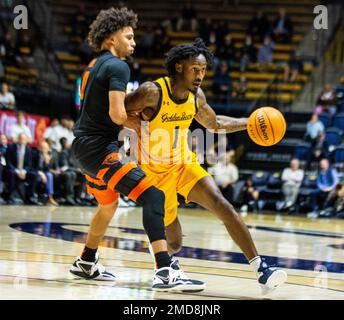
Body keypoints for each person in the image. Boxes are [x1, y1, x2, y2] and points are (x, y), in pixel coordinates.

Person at [124, 38, 287, 294]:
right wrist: (132, 132)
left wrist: (251, 122)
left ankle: (261, 267)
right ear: (179, 67)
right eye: (195, 69)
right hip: (155, 173)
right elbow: (119, 111)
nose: (200, 75)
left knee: (222, 204)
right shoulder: (151, 92)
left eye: (203, 70)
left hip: (183, 163)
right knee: (174, 242)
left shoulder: (196, 96)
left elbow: (215, 124)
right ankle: (165, 260)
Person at [69, 7, 203, 292]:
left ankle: (86, 260)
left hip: (81, 147)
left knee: (108, 205)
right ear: (110, 38)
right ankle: (165, 270)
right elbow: (118, 115)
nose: (133, 43)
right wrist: (143, 117)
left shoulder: (92, 65)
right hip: (99, 149)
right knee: (153, 196)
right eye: (128, 37)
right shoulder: (119, 66)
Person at [4, 133, 39, 205]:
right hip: (13, 170)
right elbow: (8, 162)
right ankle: (10, 196)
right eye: (21, 139)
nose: (22, 140)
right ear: (18, 139)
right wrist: (17, 171)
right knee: (11, 173)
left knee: (34, 175)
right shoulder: (11, 147)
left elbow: (29, 164)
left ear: (26, 141)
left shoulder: (28, 149)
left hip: (23, 171)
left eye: (24, 139)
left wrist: (24, 171)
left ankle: (29, 196)